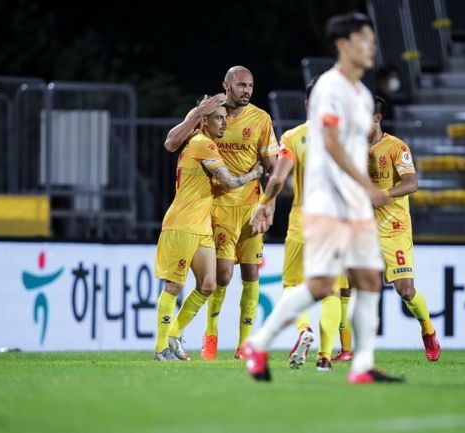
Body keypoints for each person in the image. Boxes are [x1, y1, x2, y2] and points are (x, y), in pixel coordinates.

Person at [243, 12, 404, 384]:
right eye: (365, 39)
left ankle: (362, 366)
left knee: (368, 281)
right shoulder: (330, 88)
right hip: (328, 203)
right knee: (319, 286)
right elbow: (331, 143)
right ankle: (261, 342)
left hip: (354, 204)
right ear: (344, 45)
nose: (372, 46)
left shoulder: (362, 94)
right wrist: (365, 186)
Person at [163, 66, 279, 360]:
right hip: (219, 206)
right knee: (224, 275)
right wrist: (195, 113)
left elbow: (273, 168)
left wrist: (269, 204)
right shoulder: (208, 112)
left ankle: (244, 345)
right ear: (226, 85)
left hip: (251, 207)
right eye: (241, 85)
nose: (247, 91)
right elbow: (172, 143)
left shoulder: (261, 119)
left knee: (251, 273)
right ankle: (210, 336)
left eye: (250, 86)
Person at [250, 77, 347, 373]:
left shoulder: (293, 137)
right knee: (331, 291)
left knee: (292, 285)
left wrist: (265, 203)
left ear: (308, 104)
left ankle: (303, 328)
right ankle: (325, 356)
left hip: (302, 223)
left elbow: (278, 178)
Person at [154, 105, 263, 361]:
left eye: (225, 119)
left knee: (208, 284)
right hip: (182, 223)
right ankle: (161, 348)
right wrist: (255, 173)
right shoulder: (203, 143)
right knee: (174, 285)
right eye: (219, 119)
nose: (224, 124)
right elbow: (230, 181)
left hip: (202, 226)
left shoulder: (196, 140)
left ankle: (174, 333)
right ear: (204, 121)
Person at [366, 95, 441, 362]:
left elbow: (412, 184)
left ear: (376, 118)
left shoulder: (397, 147)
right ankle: (346, 349)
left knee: (406, 291)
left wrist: (382, 194)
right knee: (347, 287)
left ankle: (428, 331)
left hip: (392, 227)